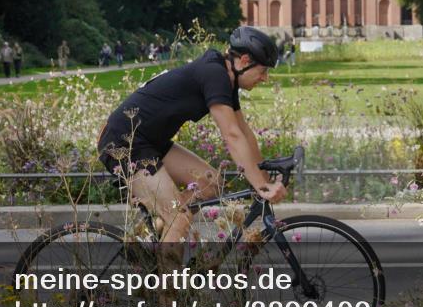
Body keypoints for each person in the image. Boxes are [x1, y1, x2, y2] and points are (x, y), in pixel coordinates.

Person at [97, 26, 285, 269]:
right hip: (125, 142)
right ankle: (168, 302)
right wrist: (261, 185)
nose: (265, 78)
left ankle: (155, 243)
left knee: (210, 183)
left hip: (151, 142)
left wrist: (264, 178)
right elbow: (231, 135)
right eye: (263, 71)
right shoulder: (214, 74)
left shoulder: (226, 78)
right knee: (179, 218)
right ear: (245, 61)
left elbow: (245, 133)